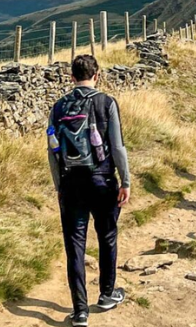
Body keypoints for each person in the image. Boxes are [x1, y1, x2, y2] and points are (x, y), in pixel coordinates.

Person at [47, 55, 131, 326]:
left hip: (71, 183)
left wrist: (59, 186)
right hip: (103, 181)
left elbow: (52, 152)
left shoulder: (58, 107)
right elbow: (117, 147)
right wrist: (126, 181)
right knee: (107, 236)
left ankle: (80, 311)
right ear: (97, 75)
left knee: (75, 246)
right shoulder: (107, 103)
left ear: (72, 77)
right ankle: (107, 294)